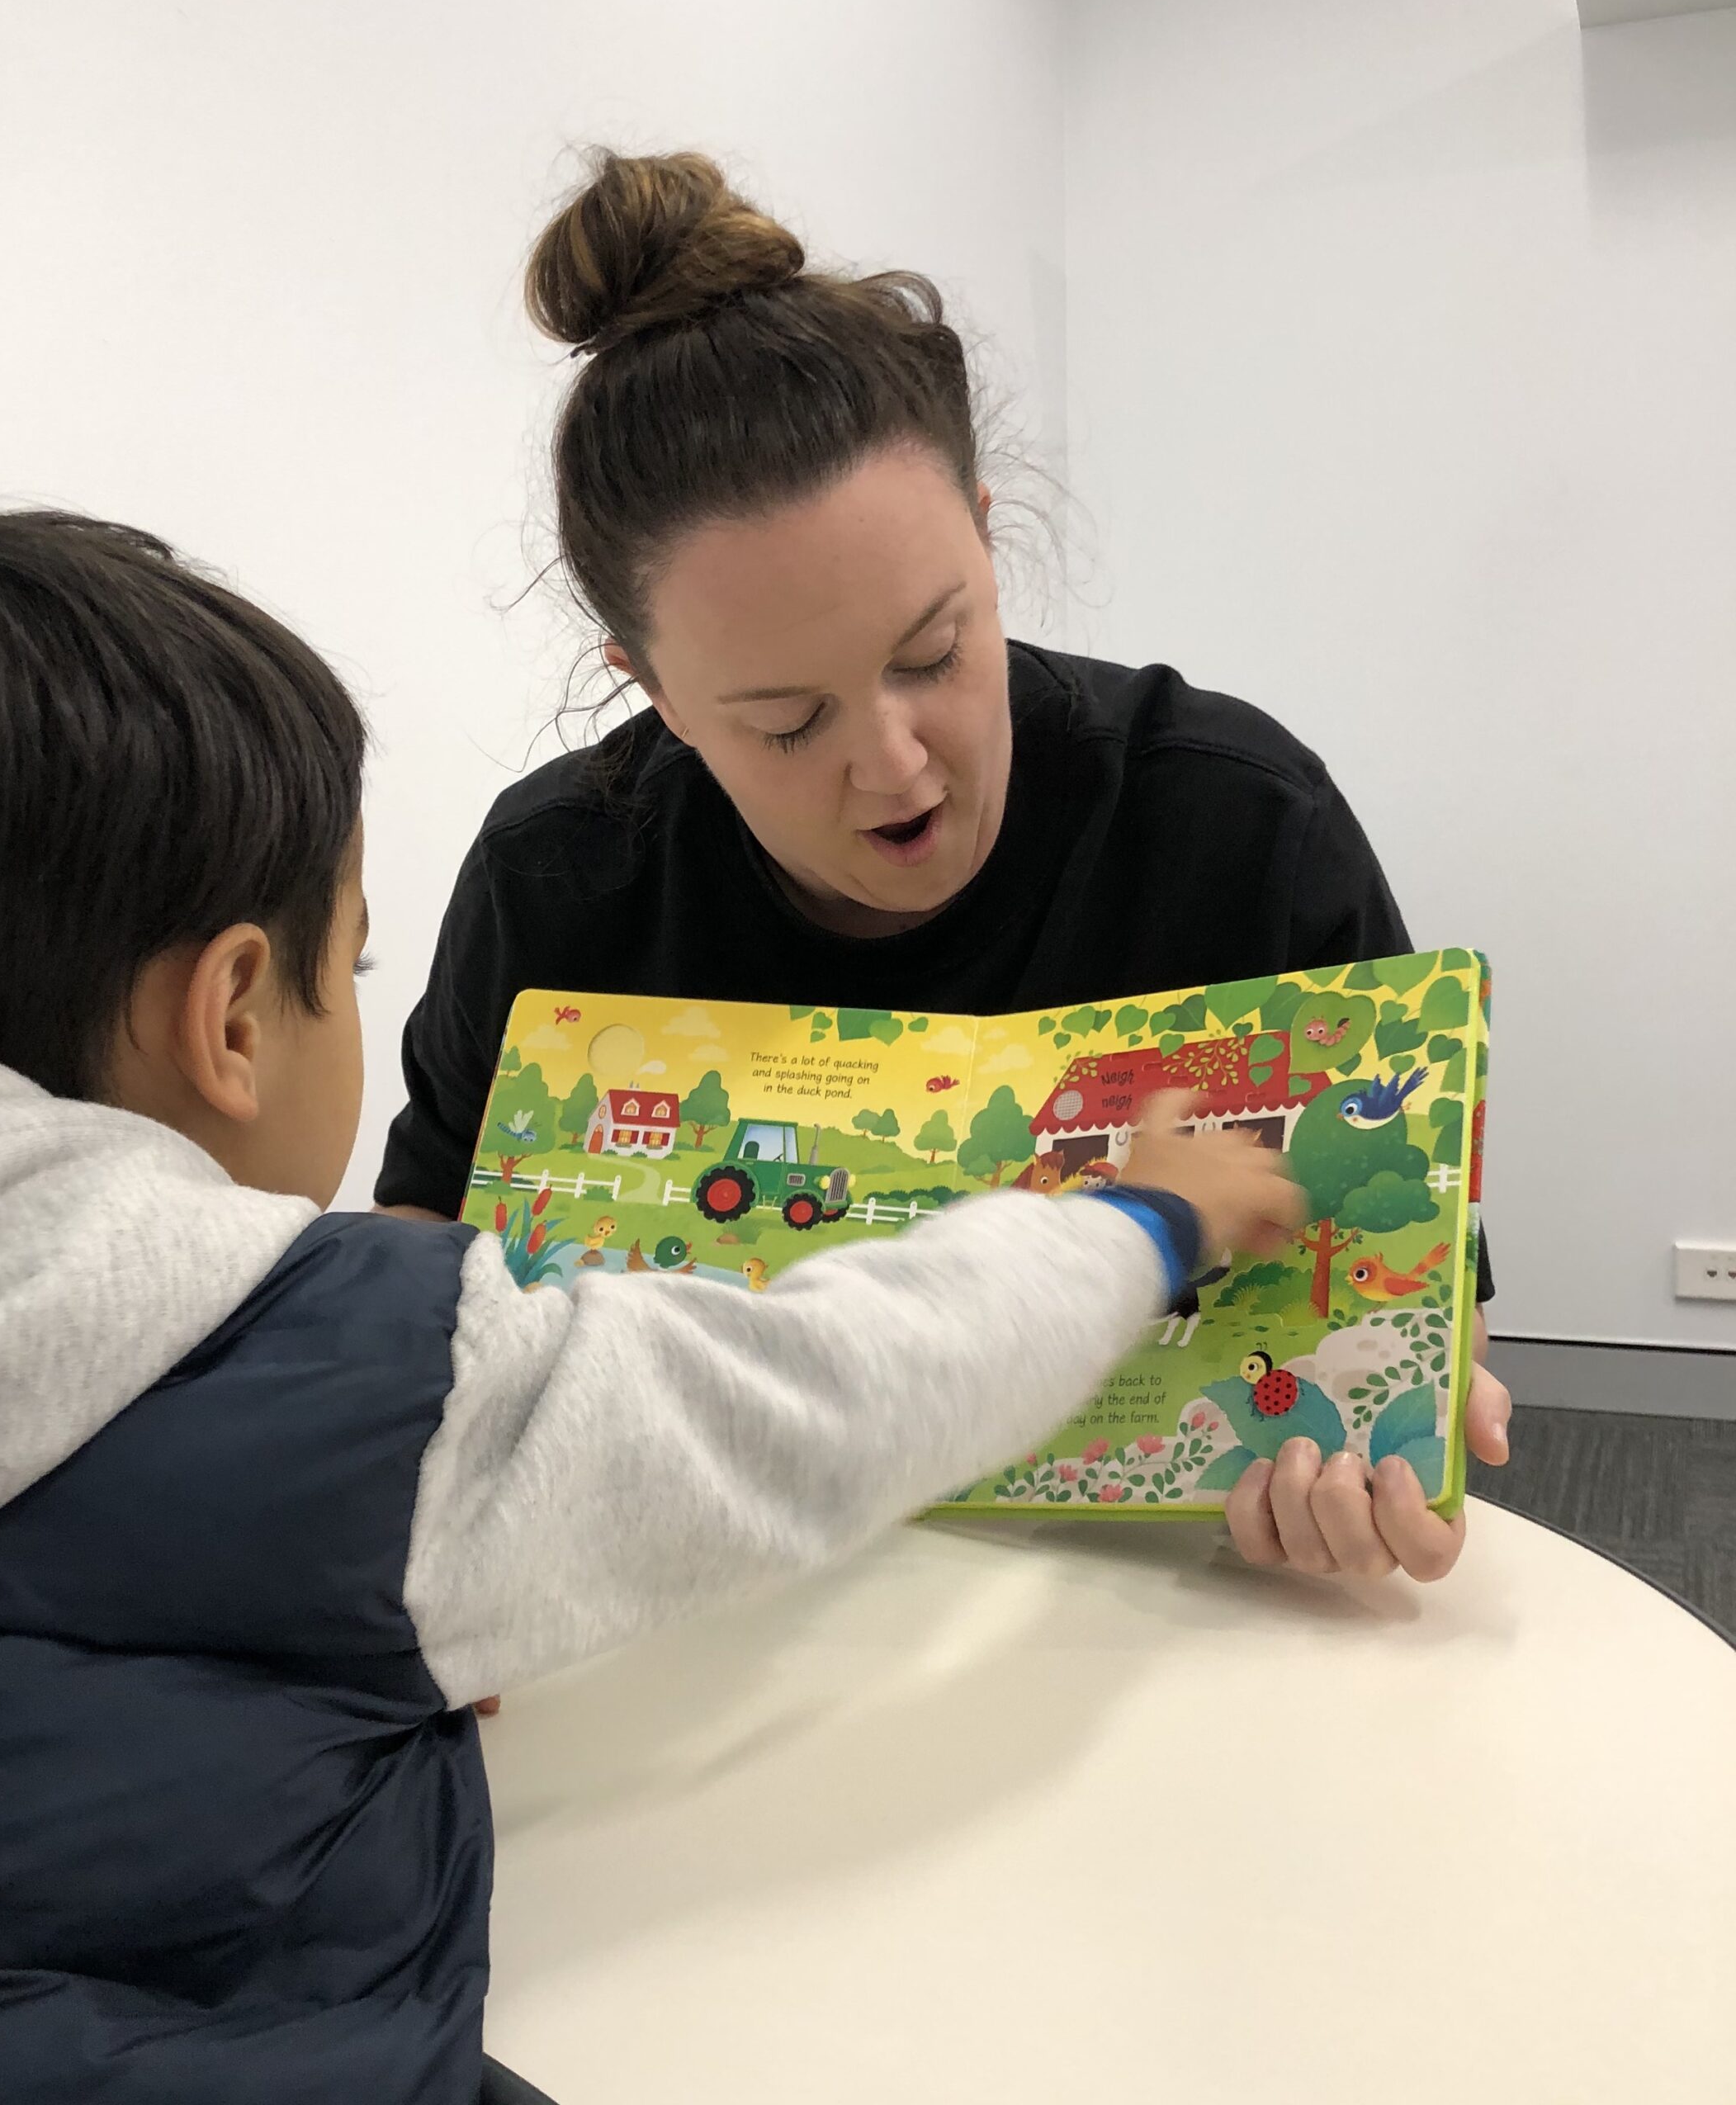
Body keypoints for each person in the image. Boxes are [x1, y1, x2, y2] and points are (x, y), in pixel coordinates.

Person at [0, 511, 1299, 2103]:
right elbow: (822, 1390)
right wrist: (1144, 1221)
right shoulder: (345, 1374)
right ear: (228, 1014)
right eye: (346, 964)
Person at [379, 149, 1511, 1584]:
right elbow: (430, 1234)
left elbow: (1413, 1272)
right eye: (787, 723)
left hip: (1149, 1610)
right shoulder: (561, 881)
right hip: (712, 1624)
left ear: (986, 540)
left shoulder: (1235, 828)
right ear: (653, 691)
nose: (897, 765)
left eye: (936, 655)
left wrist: (1406, 1423)